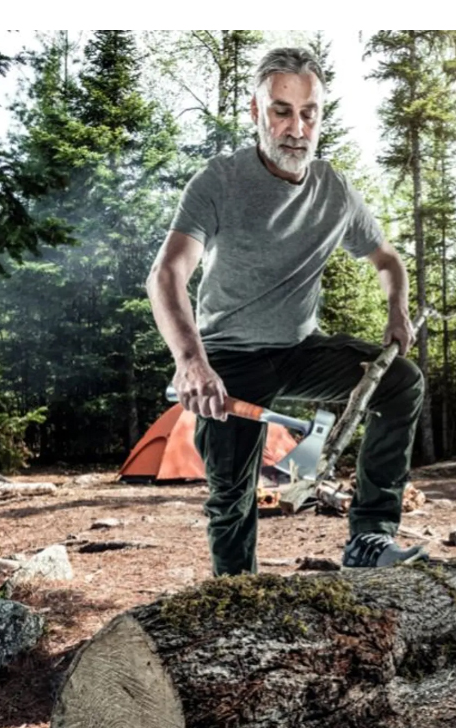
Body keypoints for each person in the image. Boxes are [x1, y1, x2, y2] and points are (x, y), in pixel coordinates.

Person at [147, 47, 426, 576]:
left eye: (309, 113)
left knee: (400, 382)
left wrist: (397, 310)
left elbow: (387, 260)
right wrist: (191, 363)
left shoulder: (334, 191)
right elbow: (166, 275)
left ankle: (370, 536)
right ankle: (238, 595)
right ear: (257, 112)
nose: (297, 129)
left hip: (301, 350)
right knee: (231, 496)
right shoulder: (219, 182)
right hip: (229, 359)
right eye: (281, 111)